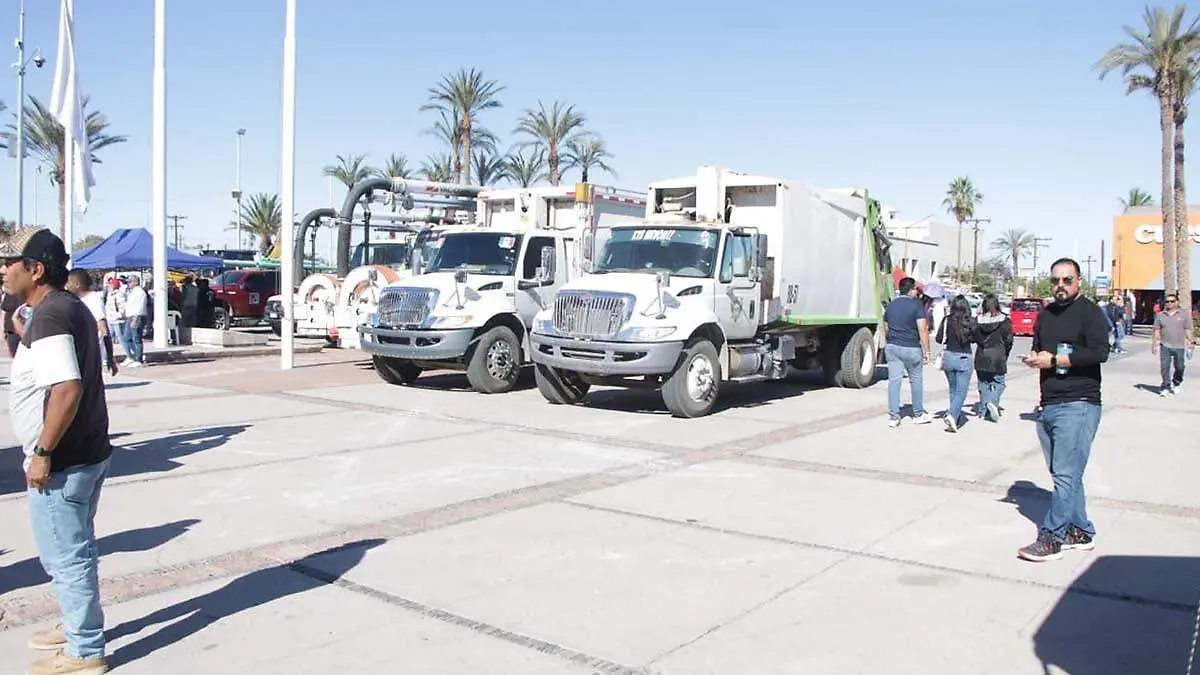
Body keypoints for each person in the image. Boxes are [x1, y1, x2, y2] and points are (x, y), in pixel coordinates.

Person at [2, 227, 113, 673]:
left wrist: (43, 452)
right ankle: (75, 626)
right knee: (73, 551)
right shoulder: (62, 308)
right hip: (87, 454)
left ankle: (85, 649)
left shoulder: (50, 316)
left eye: (10, 262)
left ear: (36, 269)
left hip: (63, 463)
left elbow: (66, 389)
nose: (3, 270)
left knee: (67, 558)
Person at [1018, 257, 1110, 563]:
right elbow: (1039, 348)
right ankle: (1080, 530)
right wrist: (1034, 358)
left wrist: (1055, 360)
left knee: (1066, 476)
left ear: (1078, 281)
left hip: (1079, 404)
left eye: (1066, 280)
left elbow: (1100, 352)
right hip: (1049, 404)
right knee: (1065, 474)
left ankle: (1053, 537)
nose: (1060, 286)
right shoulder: (1046, 314)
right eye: (1055, 280)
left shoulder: (1090, 312)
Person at [882, 277, 932, 427]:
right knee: (916, 379)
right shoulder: (916, 306)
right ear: (911, 290)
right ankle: (918, 413)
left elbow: (885, 326)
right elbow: (923, 329)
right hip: (911, 347)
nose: (917, 292)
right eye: (916, 289)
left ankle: (894, 416)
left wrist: (890, 339)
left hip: (892, 346)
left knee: (894, 381)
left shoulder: (891, 305)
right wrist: (927, 350)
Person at [66, 269, 118, 377]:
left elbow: (103, 329)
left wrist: (110, 357)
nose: (66, 286)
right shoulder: (74, 300)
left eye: (68, 282)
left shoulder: (93, 299)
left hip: (91, 353)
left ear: (77, 284)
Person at [936, 295, 976, 432]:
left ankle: (954, 418)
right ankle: (953, 415)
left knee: (953, 389)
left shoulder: (947, 320)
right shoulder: (969, 321)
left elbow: (938, 338)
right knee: (962, 391)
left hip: (948, 357)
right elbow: (975, 338)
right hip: (964, 357)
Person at [973, 293, 1013, 422]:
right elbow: (1009, 340)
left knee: (983, 383)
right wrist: (1005, 353)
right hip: (998, 356)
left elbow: (974, 338)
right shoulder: (1005, 321)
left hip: (981, 355)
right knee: (999, 382)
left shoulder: (977, 321)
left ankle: (983, 410)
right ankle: (993, 402)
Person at [1152, 292, 1195, 396]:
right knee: (1164, 367)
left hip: (1179, 346)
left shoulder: (1184, 315)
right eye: (1167, 301)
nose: (1169, 303)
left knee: (1180, 367)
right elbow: (1157, 330)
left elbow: (1188, 329)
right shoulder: (1160, 315)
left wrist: (1191, 341)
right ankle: (1166, 386)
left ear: (1177, 302)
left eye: (1172, 301)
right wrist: (1155, 344)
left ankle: (1176, 382)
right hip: (1165, 345)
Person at [123, 275, 149, 366]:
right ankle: (132, 356)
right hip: (130, 317)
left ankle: (139, 359)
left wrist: (135, 319)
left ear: (136, 282)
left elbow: (139, 306)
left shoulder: (140, 292)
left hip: (137, 317)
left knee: (136, 338)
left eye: (130, 281)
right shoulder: (132, 292)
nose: (128, 283)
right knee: (127, 338)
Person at [2, 280, 25, 357]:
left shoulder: (12, 291)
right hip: (14, 328)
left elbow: (5, 306)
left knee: (16, 356)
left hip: (15, 328)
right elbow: (5, 306)